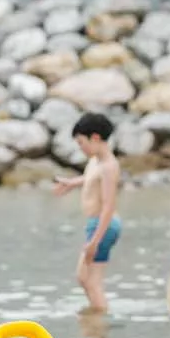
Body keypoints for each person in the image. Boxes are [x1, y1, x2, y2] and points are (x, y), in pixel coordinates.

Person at [52, 113, 121, 313]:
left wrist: (94, 242)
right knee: (84, 278)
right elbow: (90, 178)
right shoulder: (96, 161)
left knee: (91, 281)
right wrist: (72, 183)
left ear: (95, 138)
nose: (80, 148)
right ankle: (96, 315)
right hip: (97, 224)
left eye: (81, 142)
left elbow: (108, 205)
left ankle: (99, 323)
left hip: (104, 225)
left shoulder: (109, 166)